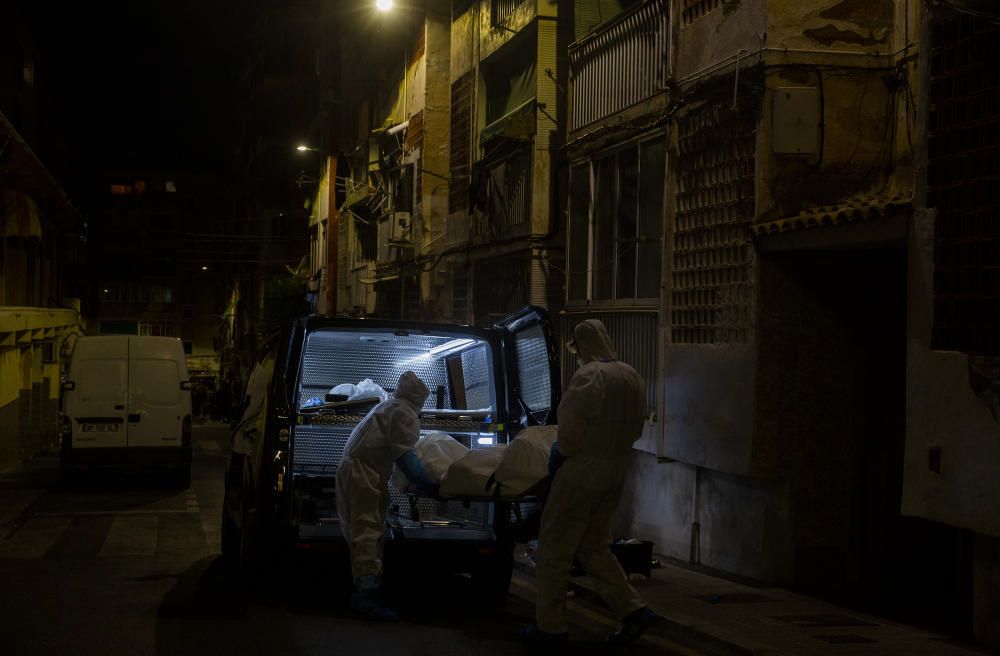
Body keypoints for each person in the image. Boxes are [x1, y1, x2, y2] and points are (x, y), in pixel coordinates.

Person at [524, 319, 661, 644]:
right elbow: (638, 428)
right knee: (593, 546)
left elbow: (569, 432)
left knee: (555, 549)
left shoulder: (590, 376)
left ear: (583, 345)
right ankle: (634, 609)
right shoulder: (632, 375)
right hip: (616, 472)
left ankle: (550, 628)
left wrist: (558, 455)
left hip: (582, 473)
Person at [335, 371, 438, 621]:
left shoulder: (389, 406)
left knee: (361, 528)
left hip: (354, 467)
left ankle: (365, 588)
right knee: (368, 529)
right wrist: (429, 484)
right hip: (364, 474)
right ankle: (366, 596)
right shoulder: (405, 414)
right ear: (419, 400)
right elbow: (406, 456)